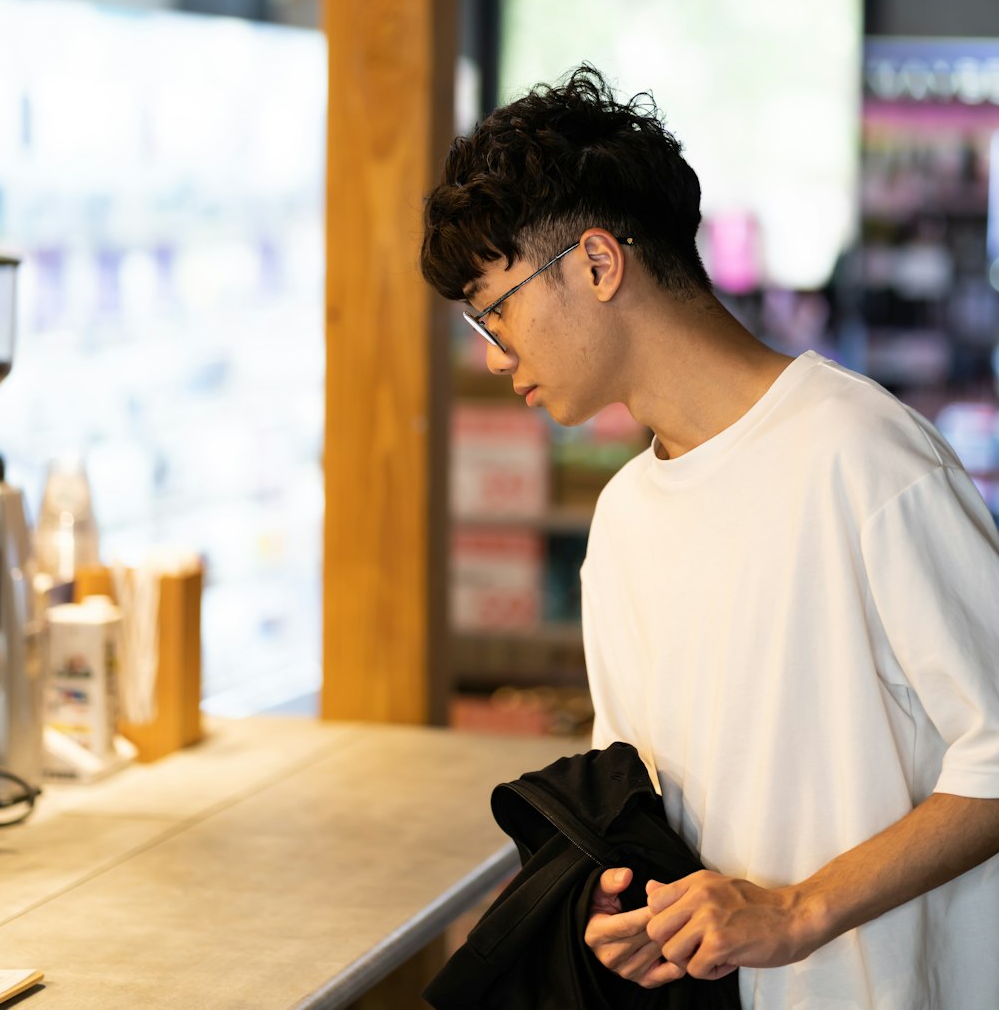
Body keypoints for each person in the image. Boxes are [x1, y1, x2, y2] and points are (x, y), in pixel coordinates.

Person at [420, 65, 999, 1010]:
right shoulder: (625, 520)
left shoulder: (862, 454)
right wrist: (620, 906)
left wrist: (799, 910)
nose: (494, 351)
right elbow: (642, 806)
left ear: (597, 264)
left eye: (496, 308)